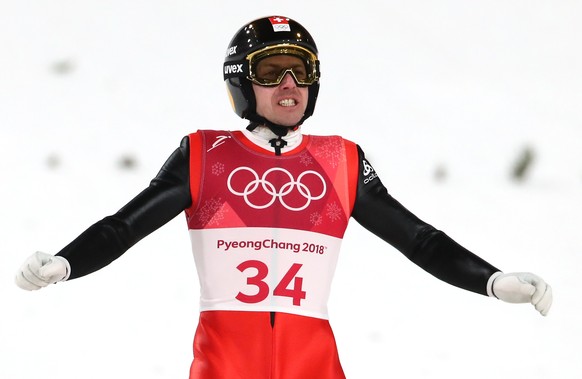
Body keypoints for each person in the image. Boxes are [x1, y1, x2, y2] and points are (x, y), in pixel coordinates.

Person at [15, 16, 552, 379]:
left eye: (302, 69)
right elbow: (121, 229)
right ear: (241, 82)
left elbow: (419, 241)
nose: (290, 83)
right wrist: (65, 263)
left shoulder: (340, 160)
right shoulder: (205, 154)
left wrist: (490, 280)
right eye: (271, 71)